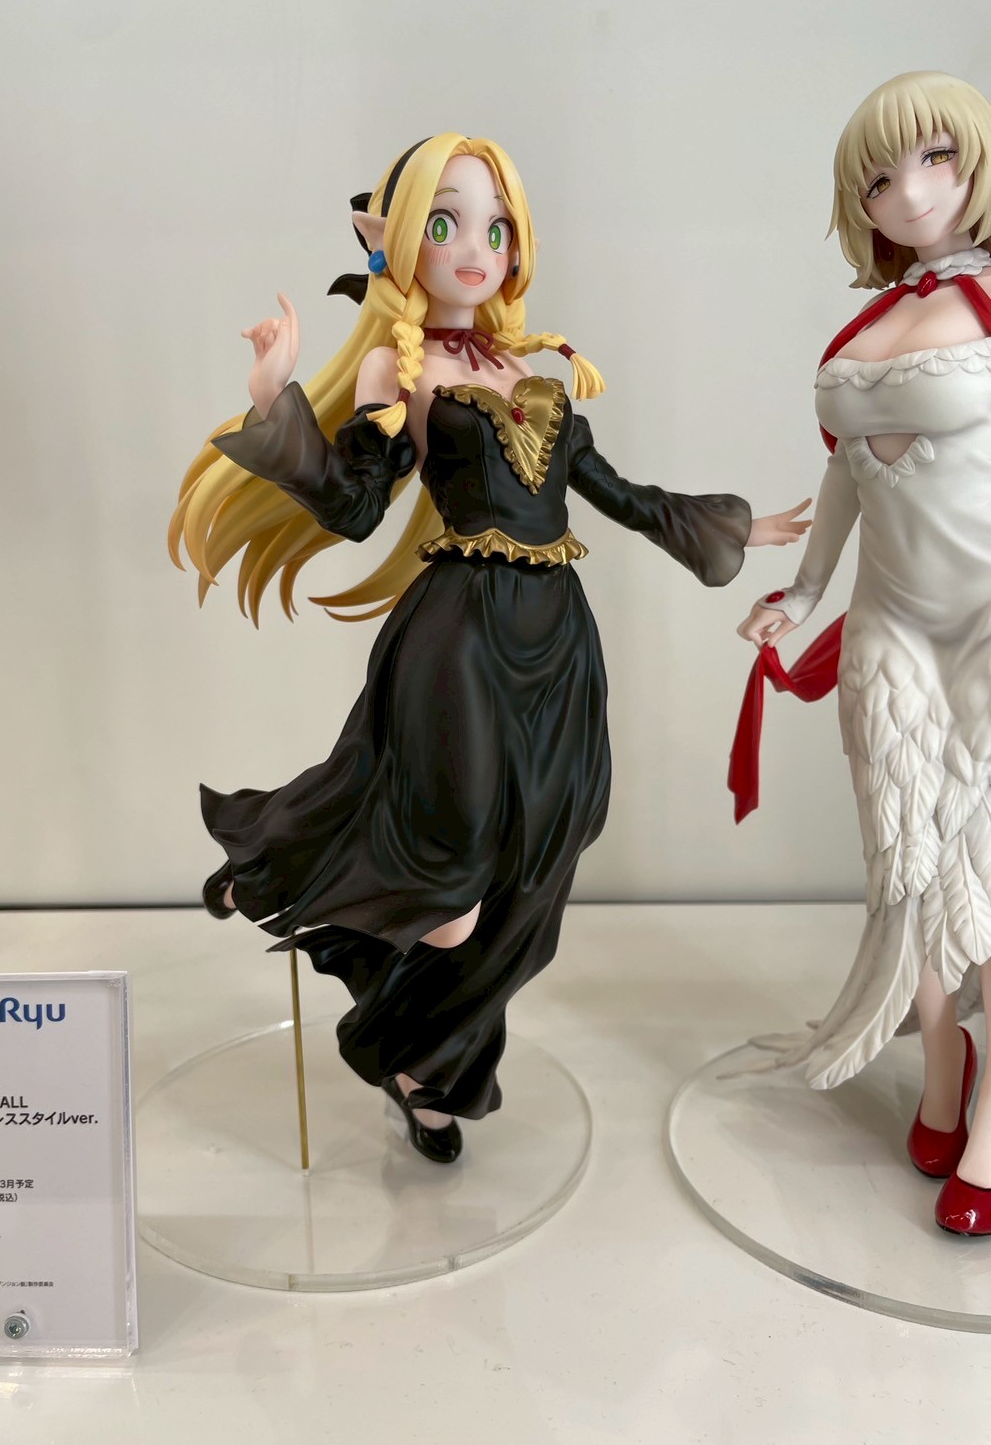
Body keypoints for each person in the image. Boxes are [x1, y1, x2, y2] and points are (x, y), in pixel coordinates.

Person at [173, 134, 806, 1162]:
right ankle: (289, 867)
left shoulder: (533, 369)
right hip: (460, 637)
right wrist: (274, 402)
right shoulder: (397, 367)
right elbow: (354, 506)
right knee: (452, 884)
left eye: (495, 227)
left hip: (557, 642)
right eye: (444, 223)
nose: (475, 248)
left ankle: (429, 1064)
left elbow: (616, 492)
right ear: (395, 241)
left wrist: (731, 526)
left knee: (534, 872)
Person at [737, 73, 991, 1233]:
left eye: (937, 158)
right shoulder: (869, 328)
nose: (911, 191)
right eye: (881, 177)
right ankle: (942, 1066)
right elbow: (846, 470)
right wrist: (800, 592)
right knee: (905, 864)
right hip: (891, 625)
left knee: (987, 868)